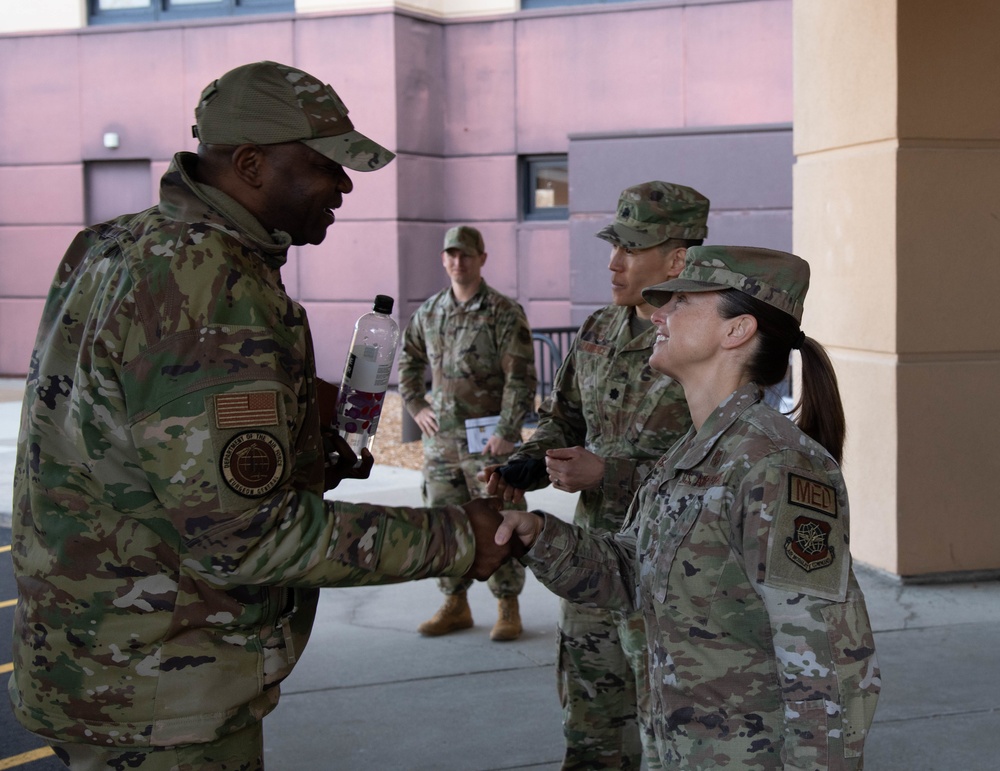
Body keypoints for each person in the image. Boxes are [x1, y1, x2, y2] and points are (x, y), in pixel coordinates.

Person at [8, 60, 512, 771]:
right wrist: (461, 537)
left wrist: (294, 432)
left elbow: (127, 419)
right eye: (325, 166)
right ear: (249, 164)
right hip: (163, 692)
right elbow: (244, 536)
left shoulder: (111, 246)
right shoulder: (211, 285)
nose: (343, 185)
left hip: (87, 659)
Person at [496, 245, 881, 769]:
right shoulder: (694, 451)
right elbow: (634, 574)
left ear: (736, 331)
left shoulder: (775, 466)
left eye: (681, 301)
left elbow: (830, 666)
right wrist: (540, 537)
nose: (659, 314)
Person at [481, 181, 710, 769]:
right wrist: (528, 467)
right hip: (591, 562)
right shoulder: (598, 332)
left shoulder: (712, 339)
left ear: (679, 257)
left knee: (680, 734)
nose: (614, 262)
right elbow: (565, 420)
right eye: (614, 244)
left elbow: (724, 469)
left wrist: (609, 473)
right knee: (592, 729)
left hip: (679, 575)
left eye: (631, 248)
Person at [399, 225, 537, 641]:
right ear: (444, 259)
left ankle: (507, 605)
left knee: (499, 518)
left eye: (467, 255)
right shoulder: (430, 312)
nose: (459, 262)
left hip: (487, 444)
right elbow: (408, 359)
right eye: (452, 255)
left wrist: (508, 430)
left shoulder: (503, 311)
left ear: (482, 259)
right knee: (445, 521)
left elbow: (521, 377)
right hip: (441, 446)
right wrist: (416, 404)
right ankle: (454, 603)